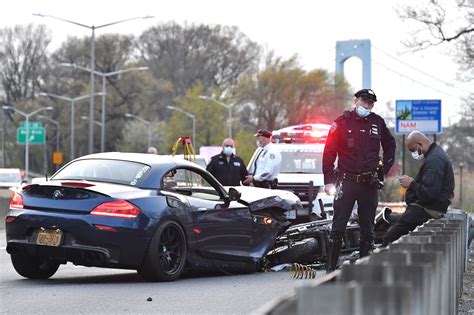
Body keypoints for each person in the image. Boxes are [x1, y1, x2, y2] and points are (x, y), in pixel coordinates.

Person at [323, 88, 396, 272]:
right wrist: (328, 180)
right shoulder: (341, 122)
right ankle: (331, 269)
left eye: (370, 103)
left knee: (368, 229)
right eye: (364, 101)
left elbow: (390, 146)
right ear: (356, 101)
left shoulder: (377, 122)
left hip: (368, 184)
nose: (367, 105)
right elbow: (329, 152)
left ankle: (365, 270)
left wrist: (382, 172)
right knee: (338, 227)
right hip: (346, 182)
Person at [382, 130, 455, 247]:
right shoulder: (435, 155)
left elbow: (430, 194)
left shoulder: (434, 161)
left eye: (412, 150)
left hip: (429, 209)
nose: (413, 153)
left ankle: (379, 259)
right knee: (392, 219)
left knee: (390, 236)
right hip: (428, 207)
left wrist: (411, 184)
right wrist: (413, 182)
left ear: (420, 144)